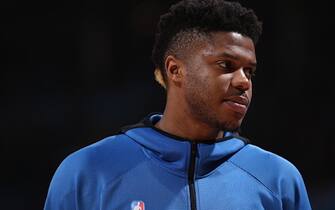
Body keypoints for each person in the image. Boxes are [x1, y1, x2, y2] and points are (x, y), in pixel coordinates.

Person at [44, 0, 312, 209]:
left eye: (249, 71)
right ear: (175, 70)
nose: (244, 82)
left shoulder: (278, 179)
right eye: (226, 65)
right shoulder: (88, 172)